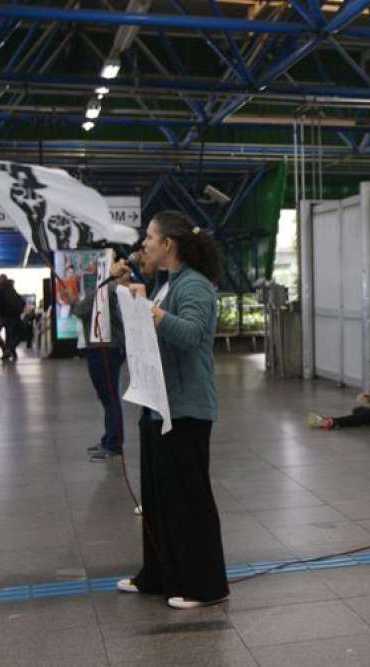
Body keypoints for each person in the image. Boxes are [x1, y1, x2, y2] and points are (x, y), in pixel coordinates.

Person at [111, 210, 229, 610]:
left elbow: (193, 335)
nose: (143, 244)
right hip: (158, 406)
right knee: (159, 499)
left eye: (150, 237)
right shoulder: (163, 285)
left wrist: (153, 313)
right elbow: (144, 330)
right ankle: (160, 574)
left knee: (189, 499)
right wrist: (128, 294)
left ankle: (206, 585)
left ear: (169, 245)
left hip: (186, 409)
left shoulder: (194, 285)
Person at [72, 281, 125, 461]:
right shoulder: (106, 289)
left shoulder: (105, 289)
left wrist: (72, 300)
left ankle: (114, 444)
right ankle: (109, 438)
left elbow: (80, 310)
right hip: (104, 348)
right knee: (107, 397)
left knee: (109, 397)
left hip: (104, 349)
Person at [0, 274, 24, 362]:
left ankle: (7, 350)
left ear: (0, 280)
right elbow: (21, 301)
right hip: (13, 316)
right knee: (10, 335)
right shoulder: (12, 289)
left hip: (3, 316)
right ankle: (10, 350)